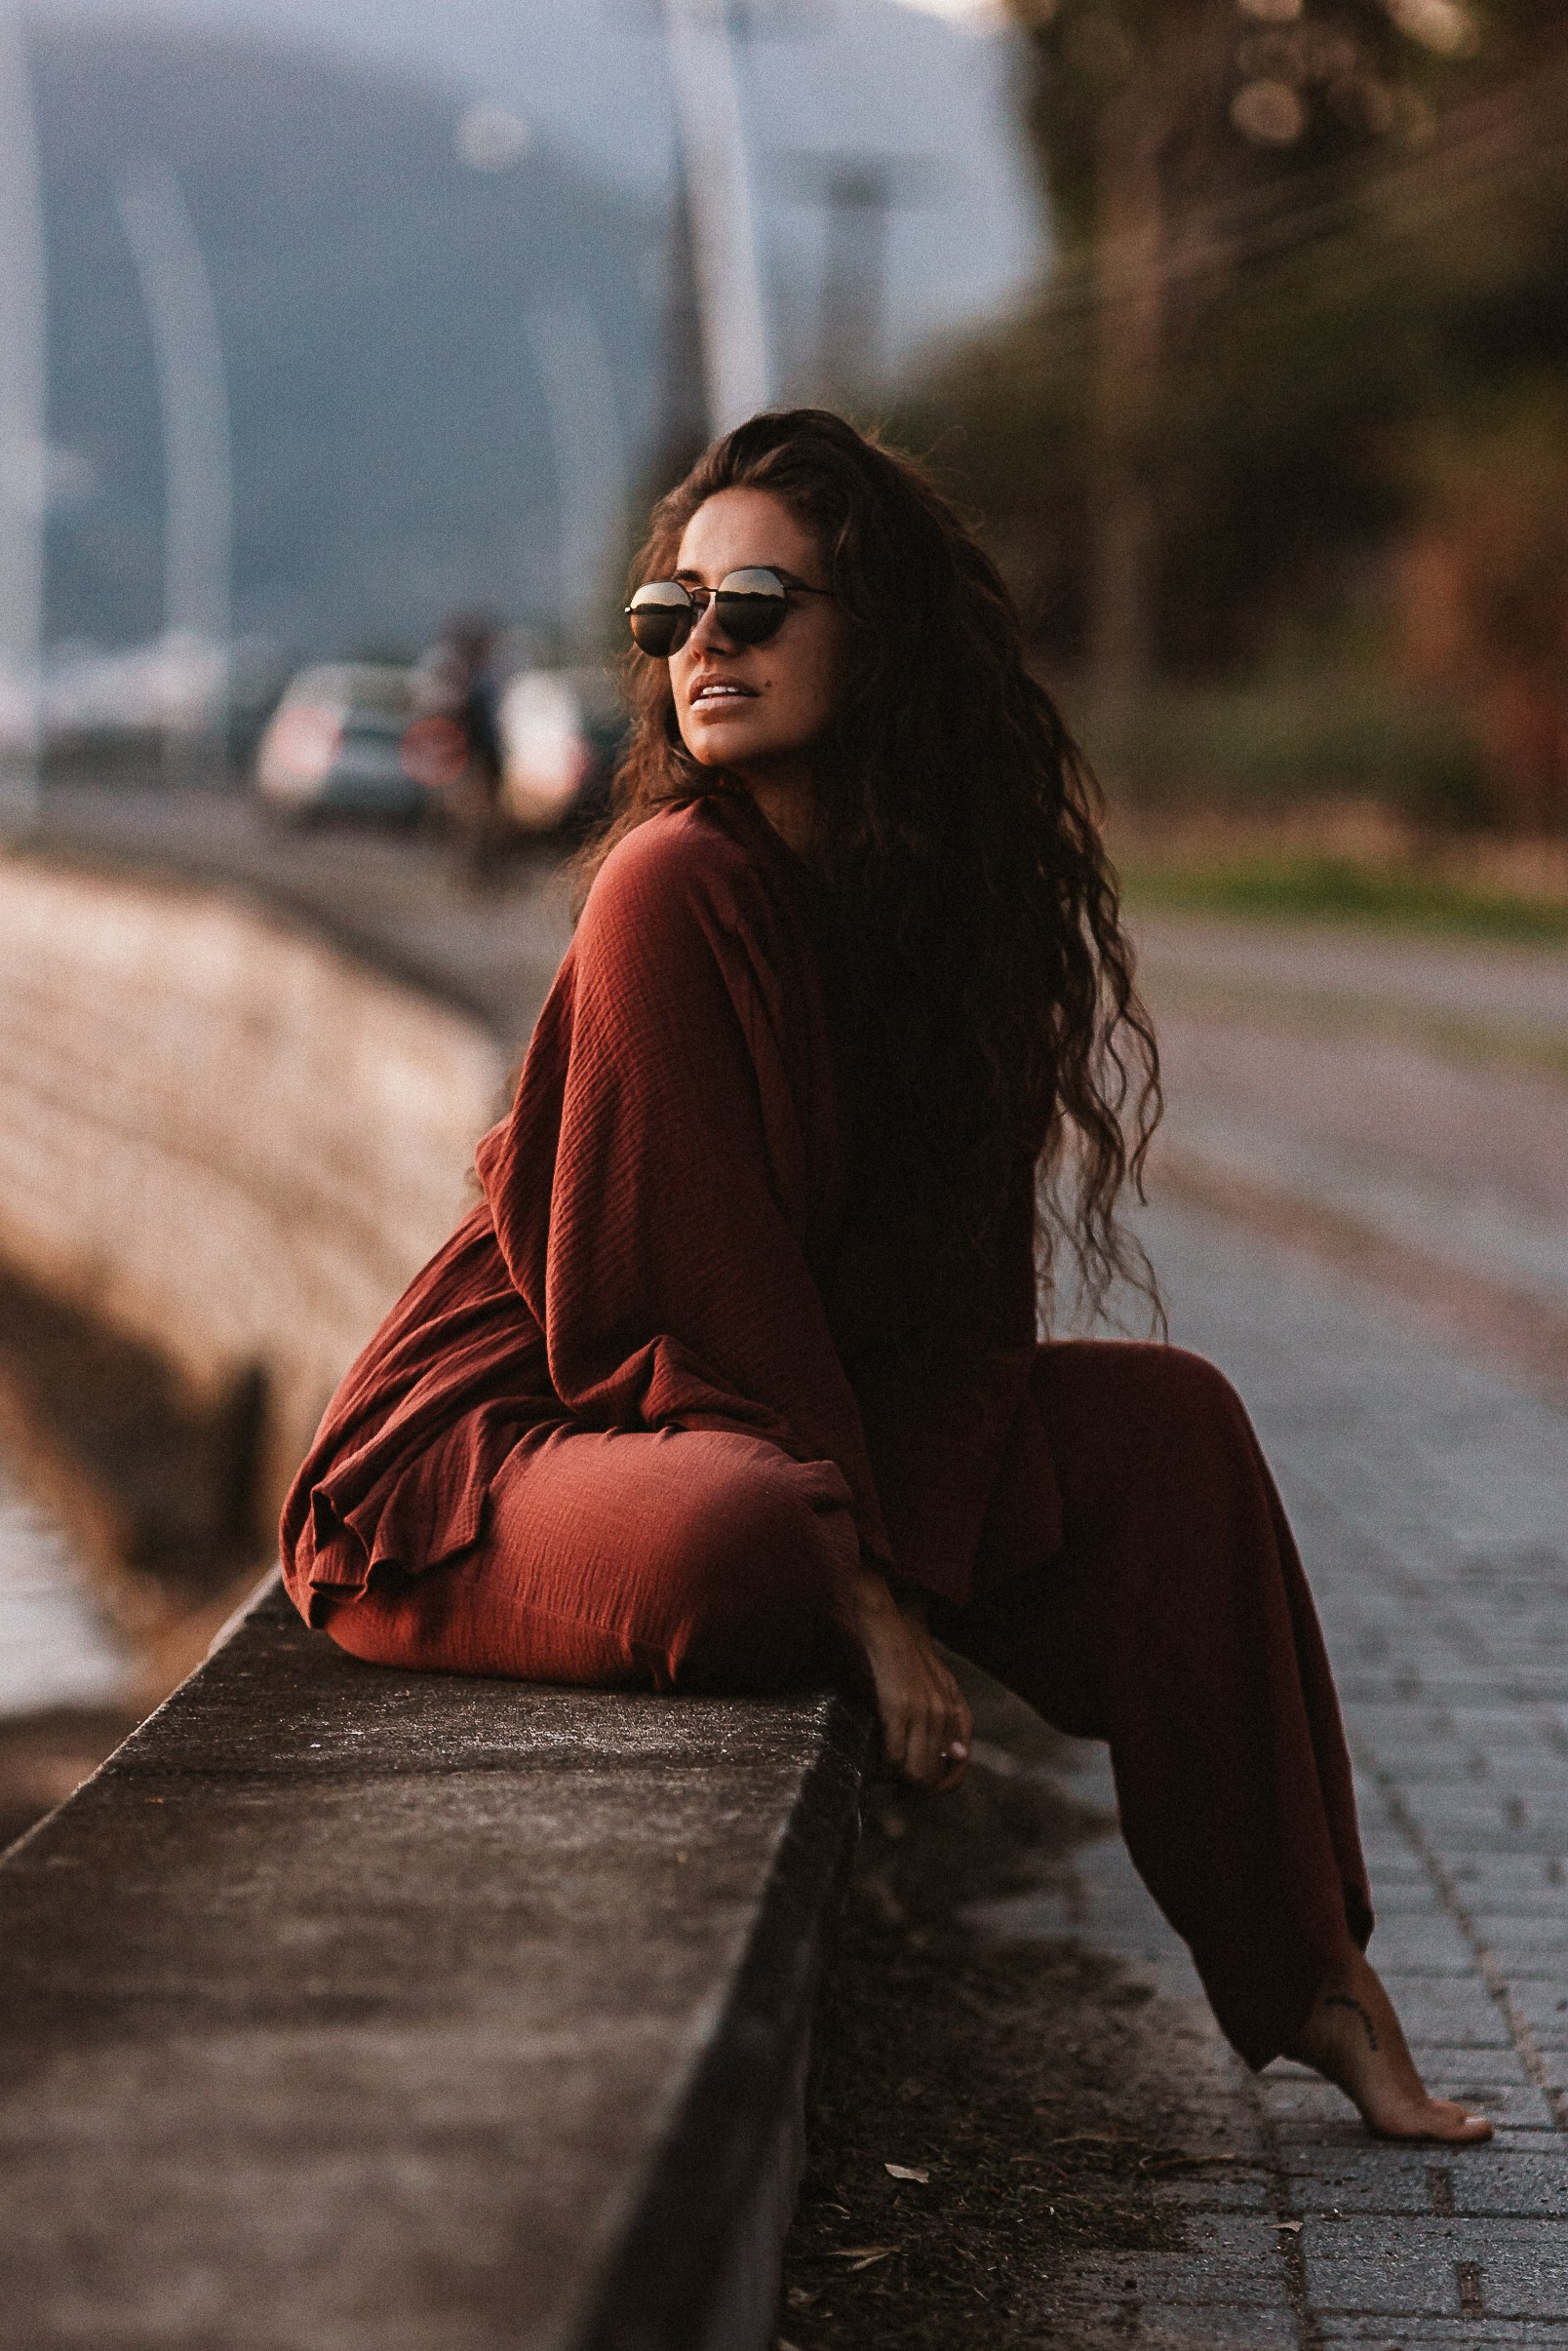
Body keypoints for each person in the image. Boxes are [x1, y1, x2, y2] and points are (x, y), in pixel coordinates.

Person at [281, 411, 1489, 2145]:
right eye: (668, 613)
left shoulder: (955, 919)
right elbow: (671, 1297)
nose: (704, 644)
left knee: (1176, 1434)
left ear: (881, 629)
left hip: (771, 1423)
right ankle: (822, 1559)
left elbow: (952, 1324)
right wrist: (863, 1594)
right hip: (505, 1444)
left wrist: (897, 1548)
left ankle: (1314, 1978)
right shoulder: (666, 889)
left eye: (756, 602)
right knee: (748, 1536)